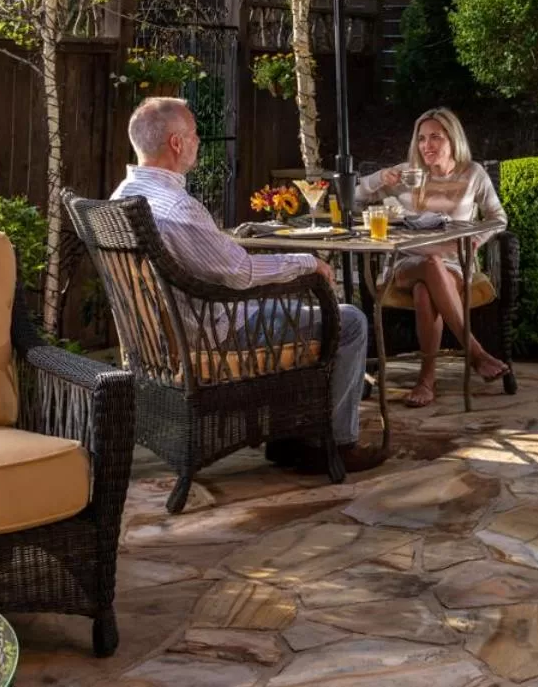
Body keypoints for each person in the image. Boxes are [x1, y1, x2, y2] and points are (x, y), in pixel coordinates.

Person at [112, 96, 384, 473]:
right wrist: (308, 263)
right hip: (212, 334)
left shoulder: (121, 198)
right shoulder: (176, 207)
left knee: (286, 307)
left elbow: (216, 263)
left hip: (161, 340)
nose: (198, 142)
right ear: (176, 143)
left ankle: (289, 436)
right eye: (194, 134)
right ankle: (335, 444)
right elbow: (241, 273)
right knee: (350, 320)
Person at [356, 107, 509, 408]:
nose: (427, 145)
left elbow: (499, 218)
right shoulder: (406, 174)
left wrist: (477, 239)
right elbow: (353, 195)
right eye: (422, 138)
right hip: (403, 264)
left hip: (454, 264)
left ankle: (426, 380)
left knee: (426, 291)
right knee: (426, 265)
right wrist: (377, 179)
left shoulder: (472, 174)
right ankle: (476, 354)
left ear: (453, 139)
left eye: (436, 137)